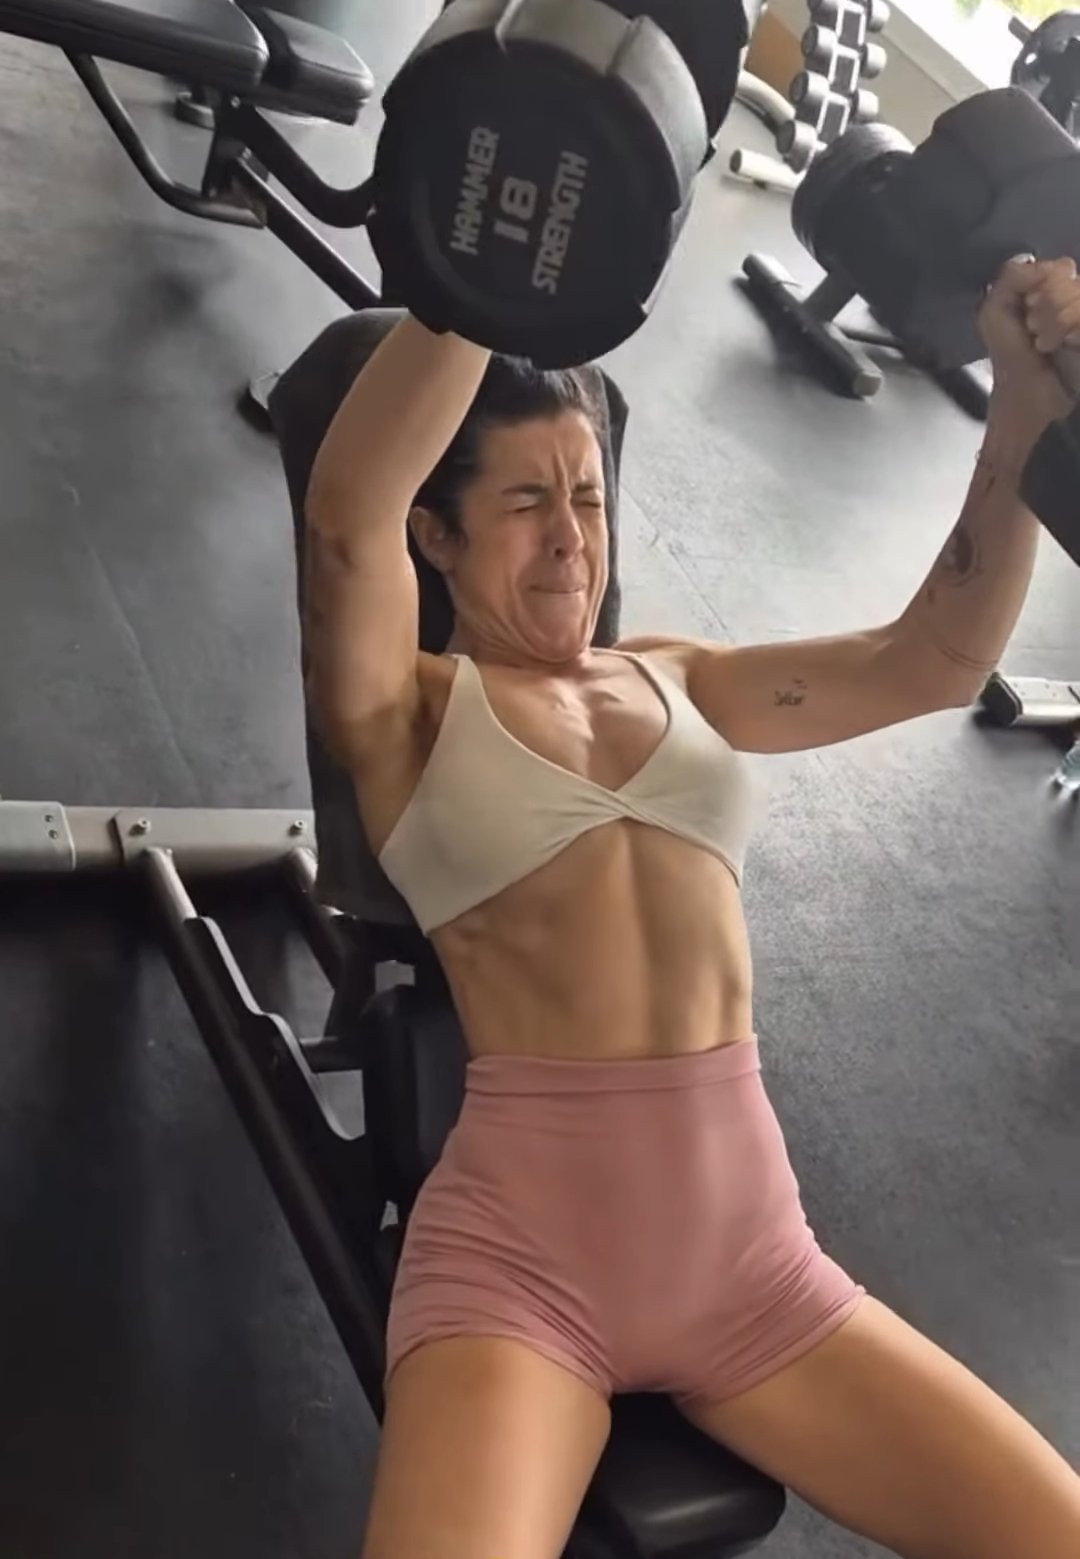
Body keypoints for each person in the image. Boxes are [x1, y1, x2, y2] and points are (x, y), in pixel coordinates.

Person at [302, 258, 1080, 1559]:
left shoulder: (684, 680)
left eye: (587, 496)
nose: (571, 537)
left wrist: (1021, 402)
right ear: (438, 538)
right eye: (525, 503)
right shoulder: (408, 710)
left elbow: (935, 660)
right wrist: (494, 272)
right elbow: (345, 518)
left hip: (757, 1276)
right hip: (521, 1279)